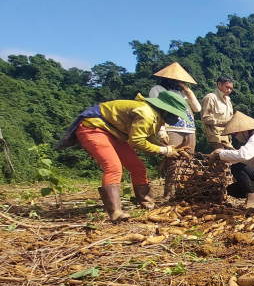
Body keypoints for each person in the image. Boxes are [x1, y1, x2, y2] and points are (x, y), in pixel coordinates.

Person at [56, 91, 190, 222]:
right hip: (94, 128)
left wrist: (166, 147)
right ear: (166, 109)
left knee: (138, 167)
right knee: (113, 167)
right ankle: (115, 212)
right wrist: (164, 151)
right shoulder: (146, 113)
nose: (176, 118)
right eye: (175, 114)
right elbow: (136, 141)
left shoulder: (154, 115)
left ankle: (147, 204)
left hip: (114, 133)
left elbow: (147, 136)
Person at [149, 62, 201, 199]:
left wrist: (188, 91)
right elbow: (156, 111)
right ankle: (169, 194)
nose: (179, 82)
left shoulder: (184, 92)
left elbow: (197, 108)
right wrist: (161, 132)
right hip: (172, 128)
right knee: (173, 161)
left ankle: (184, 192)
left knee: (189, 161)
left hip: (189, 128)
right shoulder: (158, 89)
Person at [208, 112, 254, 209]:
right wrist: (228, 153)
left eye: (235, 134)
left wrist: (220, 153)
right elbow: (243, 158)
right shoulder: (253, 139)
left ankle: (253, 199)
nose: (236, 137)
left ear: (243, 131)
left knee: (237, 168)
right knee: (232, 189)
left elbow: (243, 155)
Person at [201, 76, 234, 150]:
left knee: (229, 159)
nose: (229, 90)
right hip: (215, 137)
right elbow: (206, 118)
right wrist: (224, 122)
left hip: (227, 137)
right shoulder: (210, 98)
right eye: (227, 87)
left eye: (231, 89)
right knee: (221, 159)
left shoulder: (228, 101)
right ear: (219, 84)